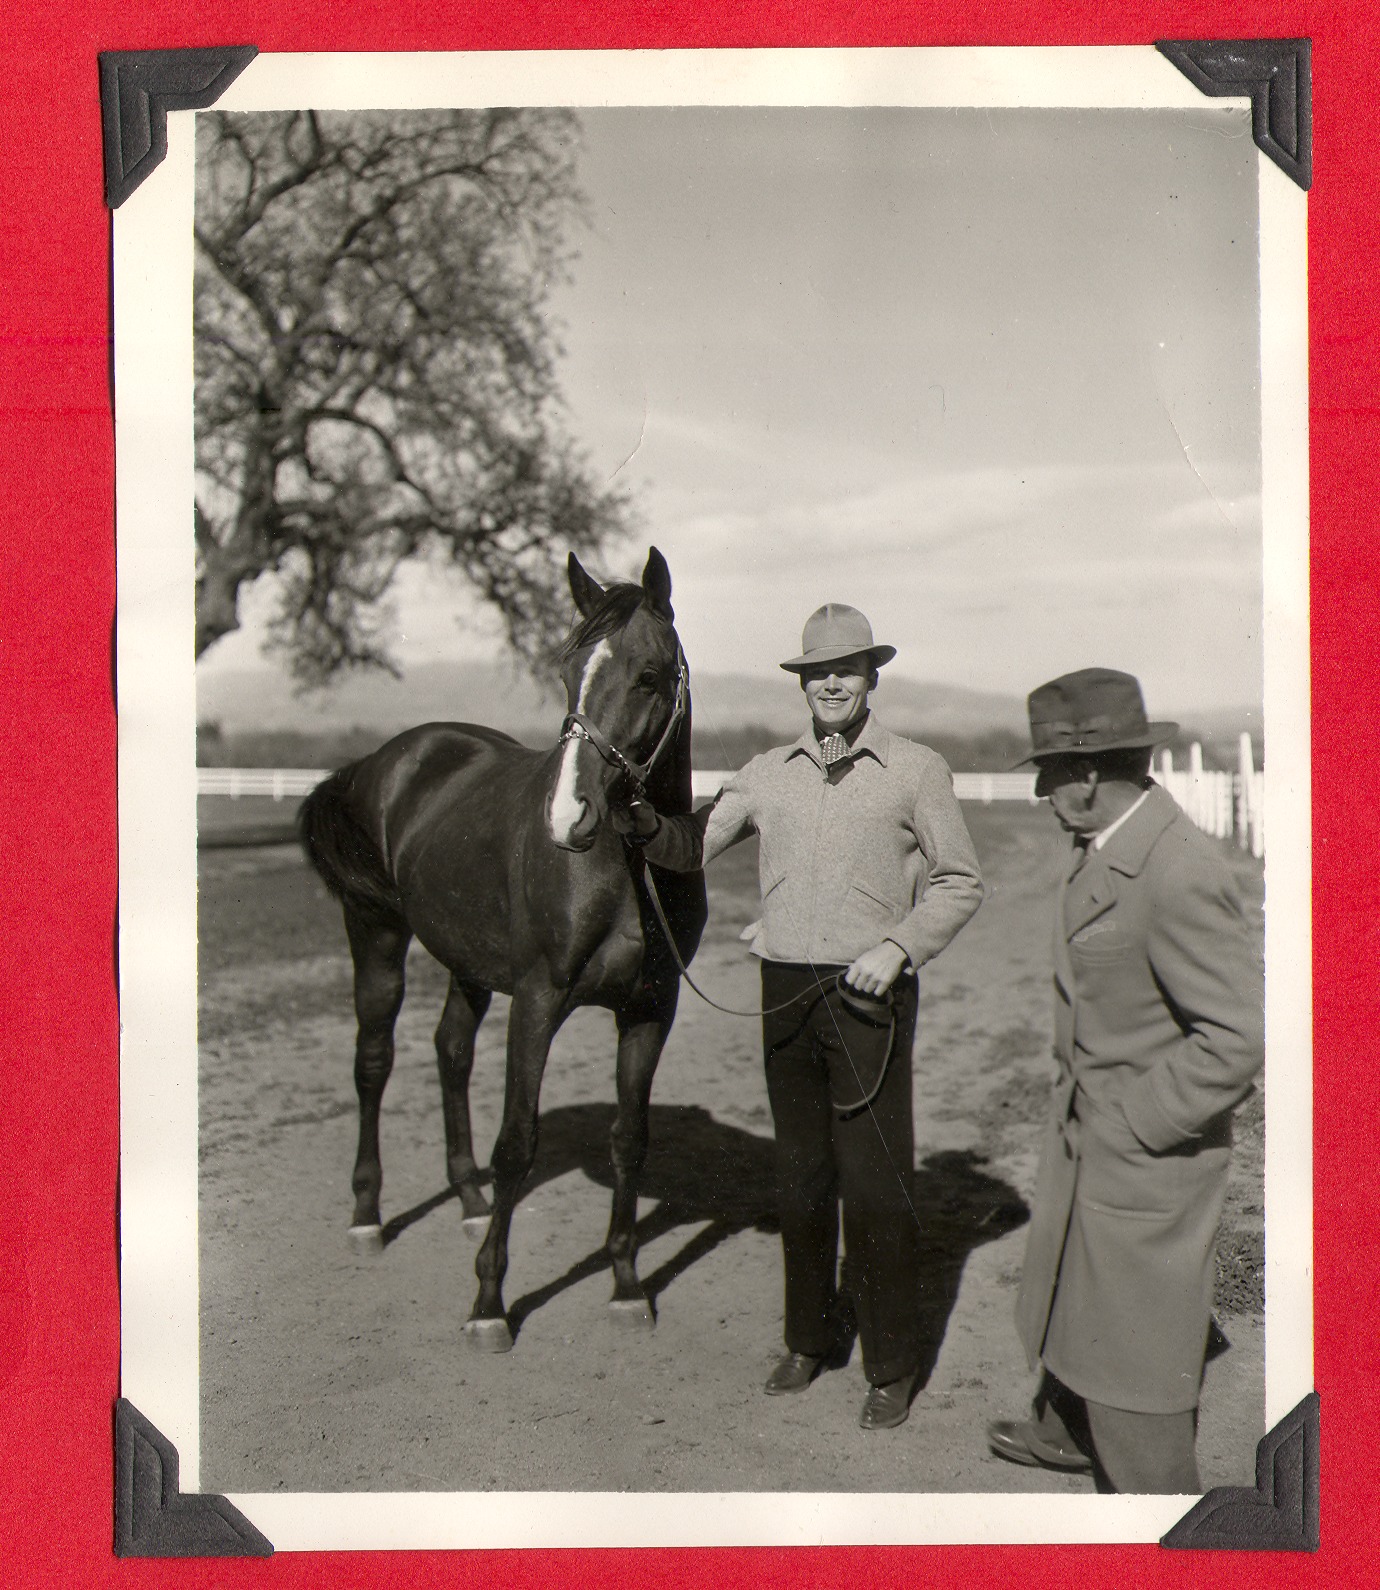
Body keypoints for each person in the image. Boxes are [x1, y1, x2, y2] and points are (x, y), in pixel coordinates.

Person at [627, 603, 983, 1430]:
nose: (830, 682)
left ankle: (891, 1367)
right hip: (782, 992)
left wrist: (898, 947)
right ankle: (808, 1338)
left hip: (868, 998)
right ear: (802, 682)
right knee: (800, 1175)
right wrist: (634, 812)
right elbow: (684, 849)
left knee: (876, 1183)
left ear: (871, 678)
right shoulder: (765, 772)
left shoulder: (915, 769)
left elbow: (960, 880)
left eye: (846, 669)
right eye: (816, 671)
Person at [986, 668, 1265, 1492]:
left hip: (1147, 1154)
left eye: (1045, 774)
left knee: (1139, 1368)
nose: (1039, 793)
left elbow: (1237, 1036)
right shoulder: (1107, 848)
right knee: (1083, 1291)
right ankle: (1065, 1430)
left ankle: (1159, 1523)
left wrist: (1131, 1123)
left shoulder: (1176, 871)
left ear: (1082, 780)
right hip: (1098, 1141)